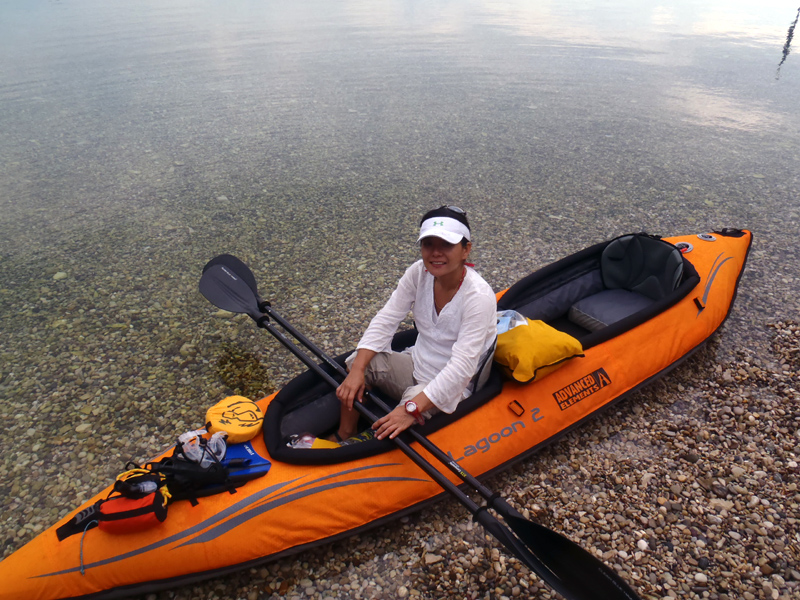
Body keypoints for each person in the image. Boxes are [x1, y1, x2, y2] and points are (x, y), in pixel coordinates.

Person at [332, 206, 497, 442]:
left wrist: (410, 408)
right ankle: (344, 434)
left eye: (446, 245)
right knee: (355, 363)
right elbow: (387, 319)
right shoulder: (418, 273)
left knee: (410, 402)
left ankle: (369, 447)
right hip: (416, 362)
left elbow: (462, 368)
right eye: (428, 244)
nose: (436, 253)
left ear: (465, 250)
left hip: (454, 385)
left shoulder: (478, 297)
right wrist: (357, 371)